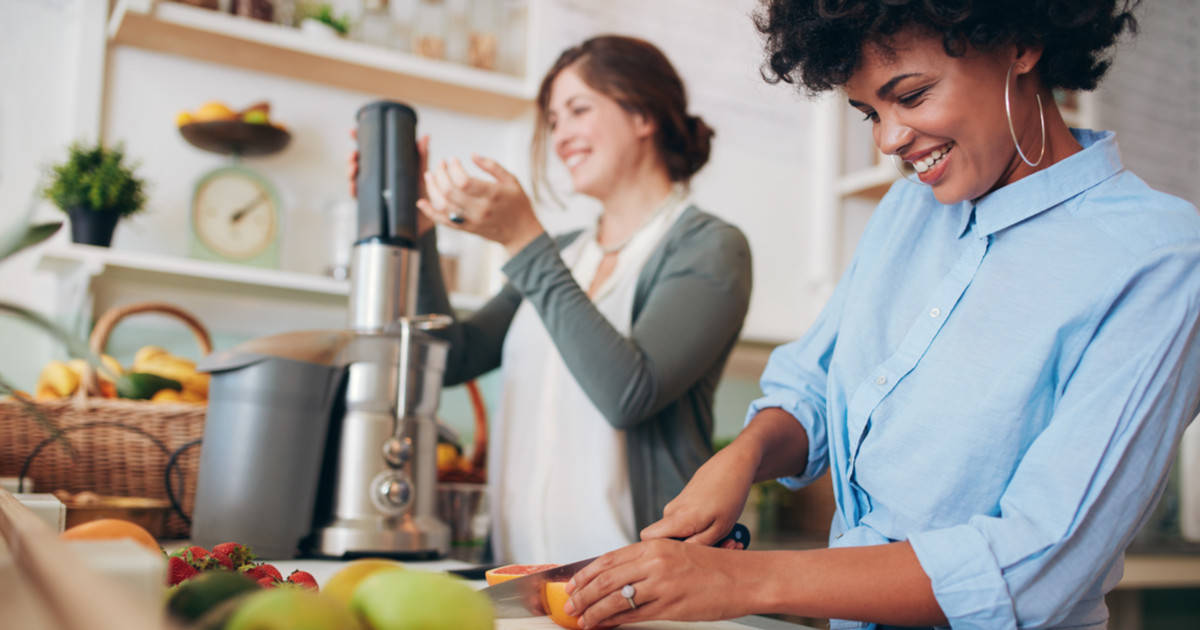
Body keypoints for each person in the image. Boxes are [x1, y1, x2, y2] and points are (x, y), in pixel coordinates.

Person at [563, 2, 1200, 629]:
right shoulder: (906, 210)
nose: (889, 140)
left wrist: (737, 580)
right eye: (870, 112)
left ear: (1021, 45)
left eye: (912, 96)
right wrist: (744, 457)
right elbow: (815, 389)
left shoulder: (1158, 257)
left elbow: (1036, 563)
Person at [352, 35, 752, 564]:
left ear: (643, 115)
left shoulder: (710, 247)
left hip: (644, 584)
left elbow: (630, 393)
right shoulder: (563, 253)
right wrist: (421, 232)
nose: (560, 135)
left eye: (578, 110)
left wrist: (523, 241)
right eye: (554, 120)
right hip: (522, 578)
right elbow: (453, 358)